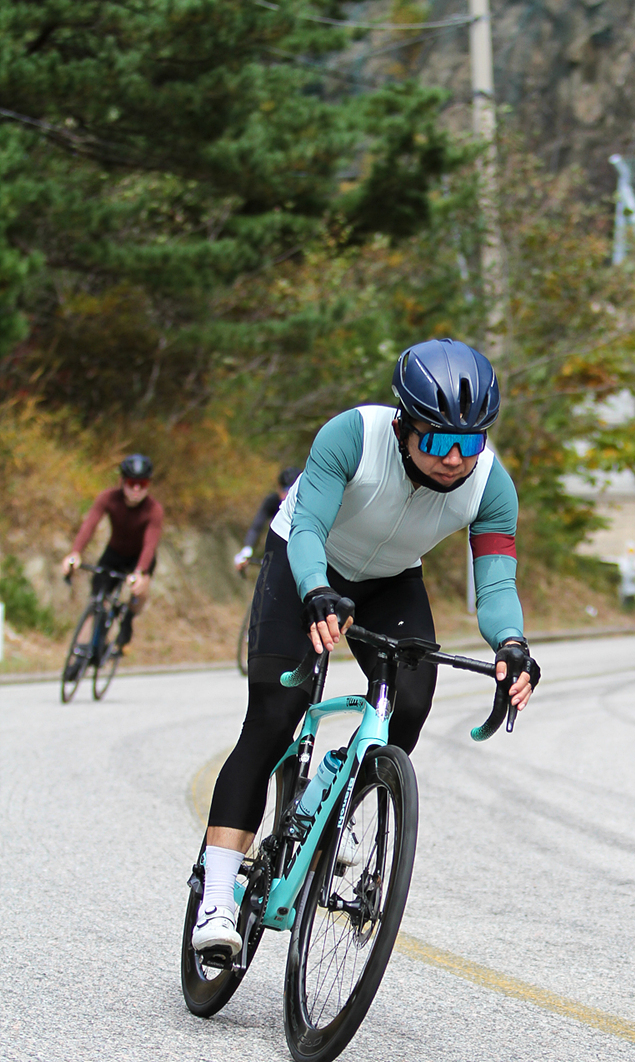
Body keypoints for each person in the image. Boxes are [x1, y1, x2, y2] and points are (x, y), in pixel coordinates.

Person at [193, 337, 540, 956]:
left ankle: (338, 807)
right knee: (274, 716)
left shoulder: (492, 485)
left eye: (470, 443)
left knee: (413, 700)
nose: (454, 459)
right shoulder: (351, 435)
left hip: (390, 580)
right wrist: (315, 589)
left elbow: (495, 584)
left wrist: (512, 644)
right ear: (405, 424)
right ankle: (216, 898)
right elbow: (307, 526)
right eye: (439, 440)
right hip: (305, 563)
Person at [61, 454, 163, 659]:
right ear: (122, 481)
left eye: (142, 484)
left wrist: (140, 572)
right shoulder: (108, 498)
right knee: (97, 597)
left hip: (139, 558)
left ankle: (128, 619)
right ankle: (85, 647)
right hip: (114, 553)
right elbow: (89, 525)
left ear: (149, 484)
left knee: (140, 588)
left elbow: (150, 544)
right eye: (131, 483)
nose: (136, 489)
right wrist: (75, 553)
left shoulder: (154, 510)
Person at [233, 466, 302, 570]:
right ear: (278, 488)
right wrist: (246, 550)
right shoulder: (272, 501)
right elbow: (256, 527)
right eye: (284, 490)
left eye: (290, 492)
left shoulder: (304, 509)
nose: (286, 496)